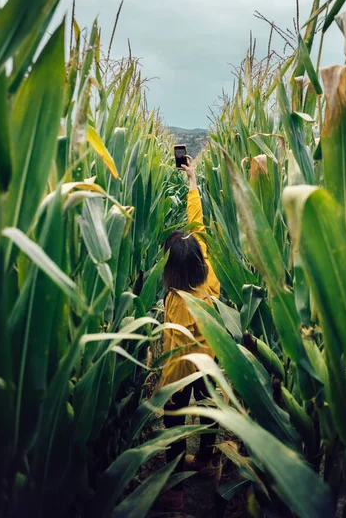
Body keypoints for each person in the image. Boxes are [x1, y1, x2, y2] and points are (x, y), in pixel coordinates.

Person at [159, 156, 220, 511]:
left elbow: (178, 350)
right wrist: (192, 183)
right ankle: (208, 463)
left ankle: (174, 485)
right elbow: (196, 226)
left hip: (187, 365)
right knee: (211, 408)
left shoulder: (181, 302)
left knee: (176, 418)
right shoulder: (206, 265)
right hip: (213, 355)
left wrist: (168, 388)